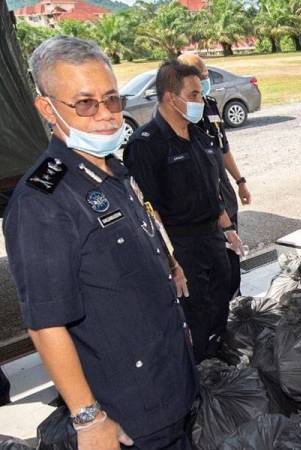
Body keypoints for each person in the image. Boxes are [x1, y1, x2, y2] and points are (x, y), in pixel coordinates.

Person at [3, 36, 197, 450]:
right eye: (86, 103)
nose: (107, 115)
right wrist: (89, 419)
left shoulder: (112, 169)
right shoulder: (43, 202)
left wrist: (170, 264)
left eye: (112, 99)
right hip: (128, 411)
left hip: (171, 381)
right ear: (47, 108)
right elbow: (45, 323)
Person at [124, 60, 245, 364]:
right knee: (194, 312)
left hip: (212, 237)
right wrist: (171, 261)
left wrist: (228, 229)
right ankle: (198, 367)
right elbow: (147, 213)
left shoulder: (200, 137)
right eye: (192, 95)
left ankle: (216, 351)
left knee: (221, 297)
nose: (200, 101)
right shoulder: (145, 145)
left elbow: (212, 192)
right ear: (169, 97)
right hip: (181, 244)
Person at [177, 53, 251, 299]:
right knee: (216, 270)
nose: (207, 80)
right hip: (206, 209)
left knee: (234, 262)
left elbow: (223, 148)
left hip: (226, 198)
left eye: (207, 75)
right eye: (203, 76)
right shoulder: (180, 118)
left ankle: (238, 308)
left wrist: (240, 181)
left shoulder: (209, 106)